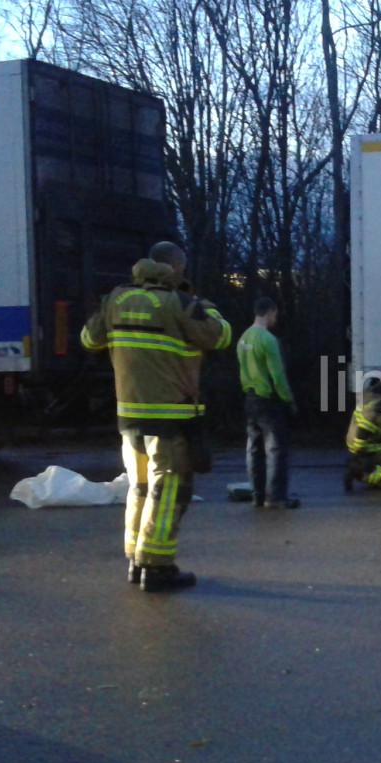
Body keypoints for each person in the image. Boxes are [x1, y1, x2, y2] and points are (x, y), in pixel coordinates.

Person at [80, 241, 231, 593]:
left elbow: (88, 339)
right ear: (176, 268)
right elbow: (220, 336)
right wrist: (204, 305)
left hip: (129, 415)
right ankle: (157, 567)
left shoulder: (115, 299)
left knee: (141, 487)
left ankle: (136, 559)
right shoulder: (179, 304)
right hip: (169, 414)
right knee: (170, 489)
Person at [237, 296, 299, 510]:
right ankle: (276, 497)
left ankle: (258, 494)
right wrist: (288, 400)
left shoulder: (243, 338)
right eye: (275, 314)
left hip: (250, 398)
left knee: (254, 449)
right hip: (268, 400)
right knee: (276, 450)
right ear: (270, 312)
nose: (276, 318)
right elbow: (278, 376)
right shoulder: (268, 340)